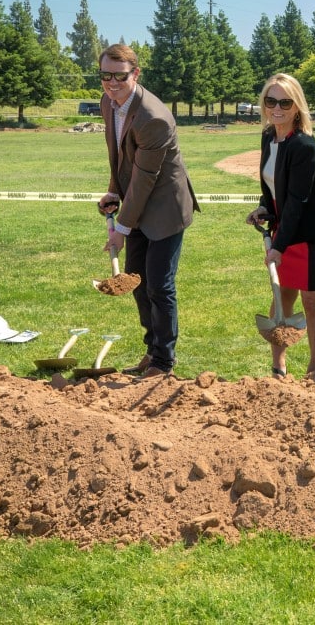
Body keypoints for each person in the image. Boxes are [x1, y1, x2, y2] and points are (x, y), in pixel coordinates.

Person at [97, 43, 199, 379]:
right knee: (138, 282)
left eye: (120, 77)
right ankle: (151, 351)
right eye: (105, 75)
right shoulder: (109, 104)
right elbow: (119, 157)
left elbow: (144, 180)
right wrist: (114, 189)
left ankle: (164, 362)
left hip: (165, 206)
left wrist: (121, 230)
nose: (112, 83)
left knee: (159, 284)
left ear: (135, 74)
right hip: (137, 201)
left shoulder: (153, 116)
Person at [245, 74, 315, 378]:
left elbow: (298, 201)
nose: (277, 107)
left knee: (312, 302)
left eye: (285, 102)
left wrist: (279, 247)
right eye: (271, 100)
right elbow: (273, 186)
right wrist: (264, 207)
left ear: (297, 106)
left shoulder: (304, 146)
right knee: (282, 296)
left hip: (314, 233)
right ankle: (278, 366)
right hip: (286, 226)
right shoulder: (268, 136)